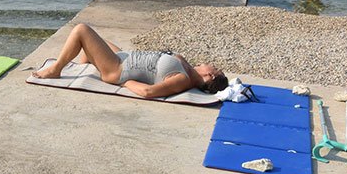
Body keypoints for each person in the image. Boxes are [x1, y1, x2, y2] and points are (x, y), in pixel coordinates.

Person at [31, 23, 228, 99]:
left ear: (210, 75)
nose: (211, 63)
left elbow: (148, 92)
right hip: (124, 57)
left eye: (215, 68)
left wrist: (125, 82)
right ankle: (82, 69)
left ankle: (56, 69)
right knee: (98, 44)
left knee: (82, 30)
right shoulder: (188, 71)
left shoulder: (183, 80)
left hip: (119, 69)